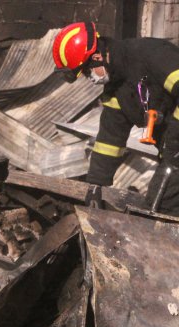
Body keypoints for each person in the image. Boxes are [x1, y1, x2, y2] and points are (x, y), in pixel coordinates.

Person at [52, 21, 179, 214]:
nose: (89, 78)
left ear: (97, 56)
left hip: (175, 152)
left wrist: (174, 139)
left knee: (162, 206)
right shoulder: (116, 89)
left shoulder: (152, 55)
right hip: (173, 154)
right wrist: (95, 185)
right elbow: (110, 138)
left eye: (87, 71)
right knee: (161, 204)